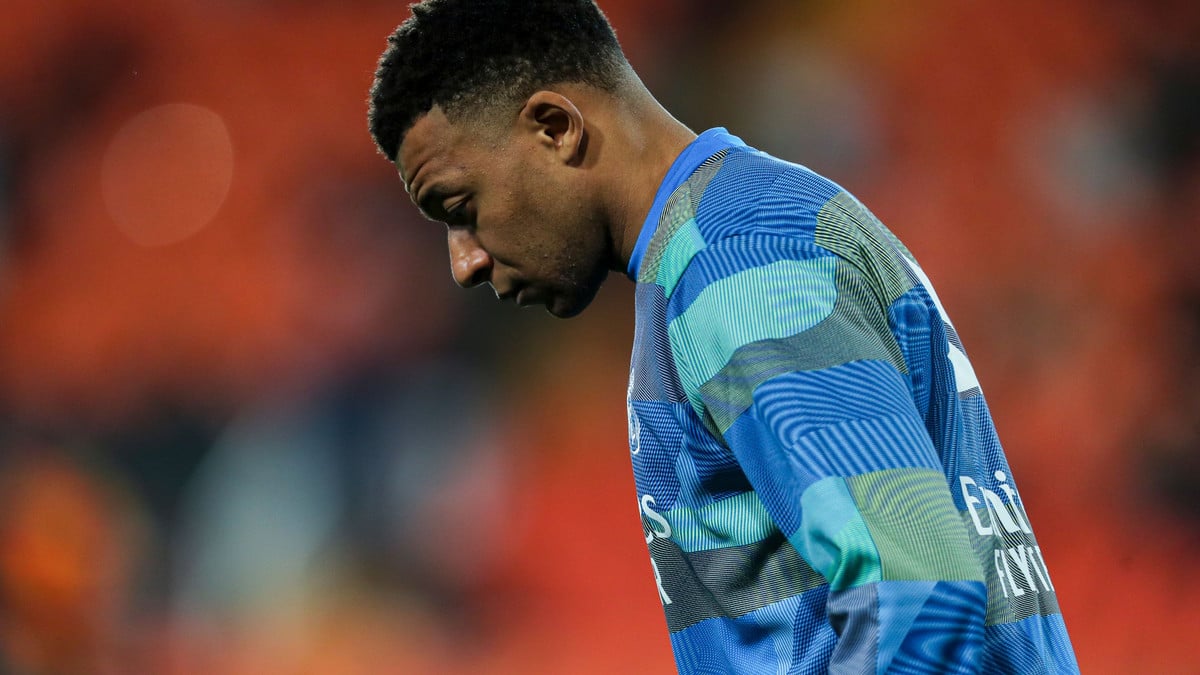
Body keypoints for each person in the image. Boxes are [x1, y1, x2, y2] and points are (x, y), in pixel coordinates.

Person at [367, 1, 1080, 672]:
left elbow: (916, 589)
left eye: (461, 208)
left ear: (556, 127)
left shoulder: (737, 263)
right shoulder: (747, 228)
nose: (464, 263)